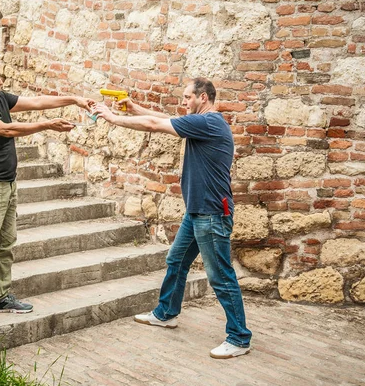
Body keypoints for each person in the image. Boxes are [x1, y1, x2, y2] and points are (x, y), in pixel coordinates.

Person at [93, 77, 252, 359]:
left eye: (188, 97)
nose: (185, 102)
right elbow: (166, 119)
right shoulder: (203, 122)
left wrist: (113, 118)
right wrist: (134, 107)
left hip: (212, 214)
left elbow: (157, 125)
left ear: (203, 97)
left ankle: (239, 338)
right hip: (197, 212)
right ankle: (166, 313)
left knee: (221, 276)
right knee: (176, 261)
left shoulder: (209, 123)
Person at [0, 56, 94, 333]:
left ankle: (0, 298)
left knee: (5, 244)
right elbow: (7, 130)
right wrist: (47, 125)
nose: (0, 82)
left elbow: (38, 102)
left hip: (8, 184)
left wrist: (74, 99)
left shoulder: (0, 97)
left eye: (0, 77)